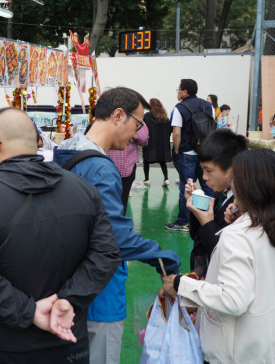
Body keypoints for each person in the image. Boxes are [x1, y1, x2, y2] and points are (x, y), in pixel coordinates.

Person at [0, 107, 121, 364]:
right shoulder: (84, 190)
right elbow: (107, 254)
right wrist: (68, 300)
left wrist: (28, 310)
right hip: (68, 339)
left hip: (3, 345)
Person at [53, 87, 181, 364]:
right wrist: (163, 257)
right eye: (137, 124)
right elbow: (115, 237)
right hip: (102, 287)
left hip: (72, 278)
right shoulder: (100, 167)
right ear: (118, 115)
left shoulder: (67, 151)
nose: (136, 134)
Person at [161, 148, 275, 364]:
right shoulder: (264, 226)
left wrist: (180, 284)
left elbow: (233, 300)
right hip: (260, 346)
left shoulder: (239, 236)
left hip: (231, 352)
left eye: (235, 180)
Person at [185, 129, 247, 278]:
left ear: (231, 169)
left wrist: (207, 222)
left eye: (208, 170)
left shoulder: (243, 206)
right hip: (204, 271)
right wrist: (197, 207)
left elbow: (223, 253)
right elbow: (197, 236)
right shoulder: (221, 193)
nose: (204, 177)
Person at [165, 79, 214, 231]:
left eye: (178, 89)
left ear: (185, 91)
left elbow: (176, 133)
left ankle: (183, 222)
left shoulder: (180, 108)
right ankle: (209, 218)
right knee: (208, 185)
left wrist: (177, 149)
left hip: (187, 153)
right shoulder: (208, 105)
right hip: (205, 152)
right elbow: (212, 127)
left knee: (186, 187)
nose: (178, 92)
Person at [107, 119, 148, 214]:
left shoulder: (107, 115)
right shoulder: (134, 118)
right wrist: (132, 134)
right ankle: (118, 223)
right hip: (125, 167)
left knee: (106, 198)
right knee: (122, 198)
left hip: (106, 165)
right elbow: (143, 139)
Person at [142, 98, 172, 187]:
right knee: (162, 162)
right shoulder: (165, 119)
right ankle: (166, 178)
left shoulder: (146, 116)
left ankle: (147, 179)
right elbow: (170, 130)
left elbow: (142, 128)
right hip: (162, 145)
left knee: (146, 161)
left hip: (150, 144)